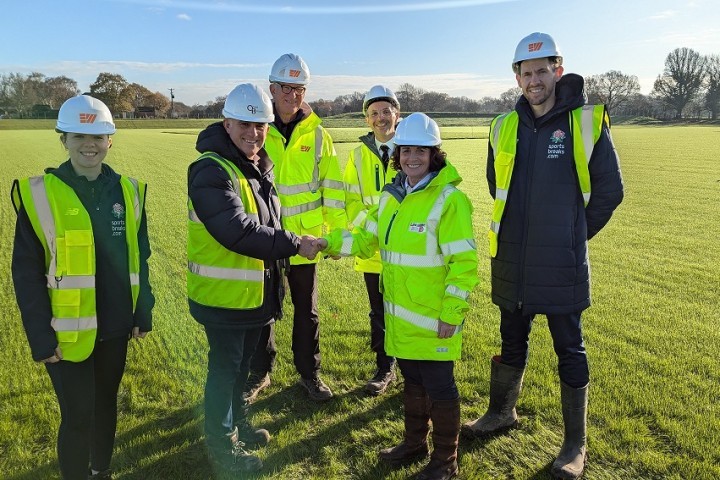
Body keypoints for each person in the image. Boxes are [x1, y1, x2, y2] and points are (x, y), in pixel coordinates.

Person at [461, 32, 624, 480]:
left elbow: (610, 192)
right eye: (526, 73)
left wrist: (573, 235)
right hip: (512, 258)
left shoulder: (585, 121)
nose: (534, 81)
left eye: (541, 71)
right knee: (511, 340)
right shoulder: (503, 125)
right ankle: (501, 413)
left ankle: (575, 445)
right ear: (517, 77)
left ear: (558, 68)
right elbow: (497, 185)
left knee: (569, 348)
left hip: (561, 262)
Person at [318, 113, 478, 480]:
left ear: (434, 154)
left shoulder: (450, 201)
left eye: (421, 150)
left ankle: (445, 462)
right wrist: (326, 242)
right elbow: (363, 239)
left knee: (440, 388)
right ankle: (414, 443)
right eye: (406, 150)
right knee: (413, 382)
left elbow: (464, 265)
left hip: (434, 319)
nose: (412, 158)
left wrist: (452, 313)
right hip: (401, 319)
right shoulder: (392, 197)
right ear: (398, 153)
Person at [11, 95, 155, 480]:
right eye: (78, 135)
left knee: (106, 404)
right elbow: (25, 274)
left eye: (97, 135)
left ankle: (101, 471)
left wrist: (143, 311)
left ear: (111, 139)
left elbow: (139, 258)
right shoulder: (39, 194)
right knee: (78, 415)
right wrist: (40, 335)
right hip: (66, 331)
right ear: (63, 139)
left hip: (115, 326)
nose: (89, 144)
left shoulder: (130, 192)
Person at [187, 83, 320, 473]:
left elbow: (267, 221)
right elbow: (237, 230)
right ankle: (223, 446)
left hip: (255, 295)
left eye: (260, 125)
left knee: (243, 368)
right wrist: (296, 244)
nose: (253, 133)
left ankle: (240, 425)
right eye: (244, 124)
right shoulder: (210, 170)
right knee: (225, 371)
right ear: (226, 123)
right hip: (224, 298)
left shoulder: (257, 166)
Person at [244, 53, 347, 403]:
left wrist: (332, 237)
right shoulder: (256, 129)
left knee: (307, 311)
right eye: (285, 87)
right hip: (267, 237)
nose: (292, 95)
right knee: (262, 307)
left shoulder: (319, 135)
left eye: (299, 88)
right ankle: (260, 372)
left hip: (306, 241)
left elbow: (333, 189)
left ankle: (310, 374)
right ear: (272, 88)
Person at [343, 85, 401, 395]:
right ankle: (384, 367)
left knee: (407, 309)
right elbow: (351, 201)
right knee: (378, 312)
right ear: (367, 120)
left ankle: (412, 368)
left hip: (408, 250)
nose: (381, 118)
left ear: (397, 114)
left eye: (386, 111)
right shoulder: (356, 155)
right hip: (371, 249)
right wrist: (374, 230)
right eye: (374, 113)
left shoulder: (414, 148)